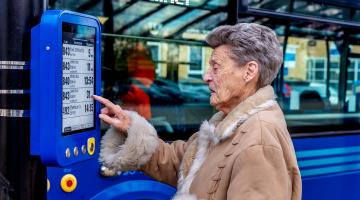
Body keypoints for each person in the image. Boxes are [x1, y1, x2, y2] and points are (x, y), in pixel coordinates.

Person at [93, 23, 302, 200]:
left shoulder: (260, 142)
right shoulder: (227, 123)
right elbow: (180, 163)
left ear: (249, 71)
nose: (206, 76)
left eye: (216, 67)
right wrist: (130, 127)